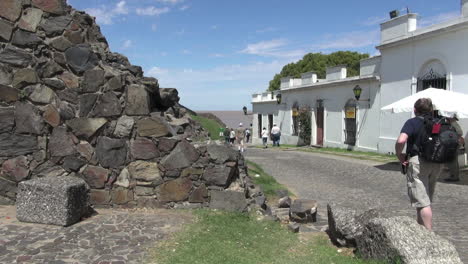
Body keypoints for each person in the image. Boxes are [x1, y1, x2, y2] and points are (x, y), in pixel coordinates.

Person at [395, 98, 444, 230]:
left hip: (419, 162)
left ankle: (428, 236)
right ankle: (420, 231)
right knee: (425, 198)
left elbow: (401, 140)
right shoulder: (438, 122)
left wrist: (399, 154)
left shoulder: (412, 122)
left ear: (415, 110)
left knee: (422, 203)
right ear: (431, 110)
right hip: (436, 162)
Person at [444, 114, 464, 182]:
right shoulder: (450, 123)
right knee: (452, 161)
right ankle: (453, 175)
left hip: (454, 144)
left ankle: (454, 176)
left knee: (453, 161)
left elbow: (460, 132)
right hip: (452, 144)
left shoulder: (453, 123)